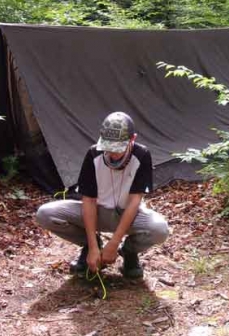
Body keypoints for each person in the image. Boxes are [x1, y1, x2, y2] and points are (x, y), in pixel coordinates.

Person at [36, 112, 169, 279]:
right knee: (45, 214)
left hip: (127, 214)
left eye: (118, 148)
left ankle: (129, 252)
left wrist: (114, 243)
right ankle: (90, 246)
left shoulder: (142, 155)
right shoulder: (94, 154)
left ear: (132, 139)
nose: (113, 153)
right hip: (97, 212)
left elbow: (135, 200)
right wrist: (93, 247)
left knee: (159, 230)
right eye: (108, 147)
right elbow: (89, 200)